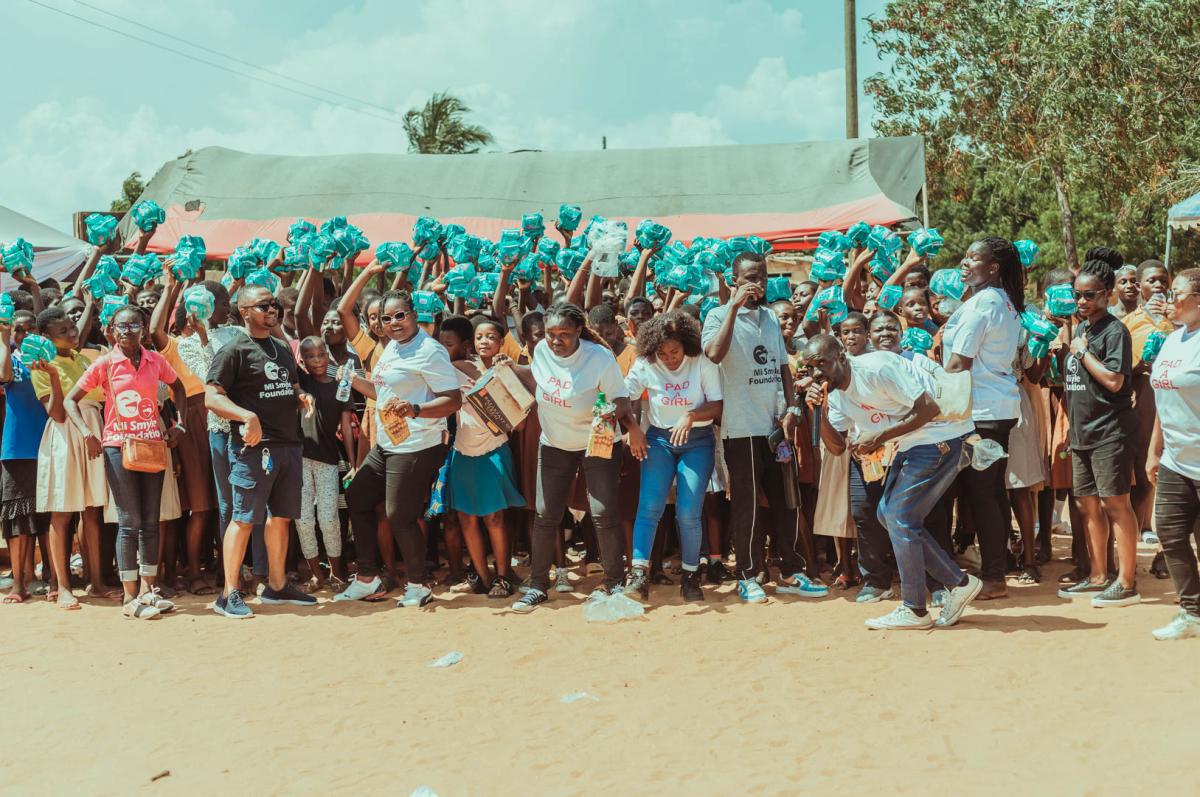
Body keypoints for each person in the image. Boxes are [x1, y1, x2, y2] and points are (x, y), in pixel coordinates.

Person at [804, 335, 981, 629]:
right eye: (810, 367)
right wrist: (818, 413)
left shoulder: (876, 368)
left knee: (899, 516)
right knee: (888, 515)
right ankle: (958, 583)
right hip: (911, 444)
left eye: (822, 363)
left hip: (941, 438)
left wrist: (879, 436)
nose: (816, 373)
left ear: (842, 357)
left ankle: (915, 609)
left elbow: (929, 408)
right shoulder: (834, 394)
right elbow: (836, 448)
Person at [702, 252, 826, 603]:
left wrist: (792, 408)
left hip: (776, 428)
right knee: (748, 506)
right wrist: (733, 306)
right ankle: (747, 574)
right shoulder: (716, 315)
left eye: (762, 277)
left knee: (787, 501)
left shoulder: (771, 316)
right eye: (750, 278)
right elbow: (714, 353)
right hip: (741, 428)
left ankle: (790, 572)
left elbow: (783, 367)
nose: (757, 284)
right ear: (734, 280)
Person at [506, 302, 645, 613]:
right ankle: (538, 584)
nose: (556, 340)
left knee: (603, 513)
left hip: (597, 442)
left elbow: (622, 400)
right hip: (555, 443)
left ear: (579, 331)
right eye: (551, 333)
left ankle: (613, 581)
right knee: (545, 514)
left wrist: (615, 417)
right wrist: (511, 368)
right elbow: (539, 379)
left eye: (564, 334)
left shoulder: (599, 357)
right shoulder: (542, 350)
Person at [335, 289, 461, 608]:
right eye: (386, 318)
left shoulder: (430, 351)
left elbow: (453, 400)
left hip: (418, 444)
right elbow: (382, 392)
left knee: (399, 515)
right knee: (357, 496)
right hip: (389, 443)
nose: (393, 323)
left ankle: (419, 584)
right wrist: (352, 380)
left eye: (400, 315)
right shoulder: (392, 347)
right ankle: (368, 577)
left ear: (414, 315)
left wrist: (416, 409)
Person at [66, 306, 188, 619]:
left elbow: (179, 387)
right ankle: (130, 596)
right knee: (129, 520)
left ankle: (149, 590)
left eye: (134, 325)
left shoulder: (155, 360)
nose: (127, 331)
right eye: (121, 325)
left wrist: (181, 425)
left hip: (152, 445)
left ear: (144, 329)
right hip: (117, 447)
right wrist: (87, 433)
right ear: (111, 329)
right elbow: (70, 400)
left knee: (151, 521)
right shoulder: (105, 363)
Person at [204, 285, 318, 618]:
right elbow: (212, 397)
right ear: (244, 312)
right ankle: (228, 594)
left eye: (274, 305)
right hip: (254, 449)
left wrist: (301, 397)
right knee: (242, 519)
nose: (272, 310)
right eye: (264, 305)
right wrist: (246, 416)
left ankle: (277, 586)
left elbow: (291, 385)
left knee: (281, 517)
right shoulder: (233, 351)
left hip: (288, 445)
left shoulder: (281, 348)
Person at [941, 237, 1023, 600]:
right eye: (965, 255)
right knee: (991, 494)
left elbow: (959, 363)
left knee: (983, 496)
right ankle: (996, 570)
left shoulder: (984, 304)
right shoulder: (1001, 300)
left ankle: (993, 577)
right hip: (994, 410)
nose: (964, 262)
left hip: (980, 414)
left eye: (973, 258)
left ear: (993, 268)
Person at [622, 310, 722, 602]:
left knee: (688, 512)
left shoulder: (701, 361)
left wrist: (691, 416)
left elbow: (717, 405)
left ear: (686, 345)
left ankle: (691, 577)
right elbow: (621, 398)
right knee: (649, 506)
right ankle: (638, 576)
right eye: (662, 353)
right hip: (659, 440)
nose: (669, 358)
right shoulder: (646, 363)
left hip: (697, 441)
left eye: (674, 351)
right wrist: (633, 429)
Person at [1057, 260, 1141, 607]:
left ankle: (1127, 582)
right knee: (1086, 504)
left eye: (1089, 295)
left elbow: (1114, 380)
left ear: (1107, 295)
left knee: (1115, 504)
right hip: (1082, 433)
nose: (1081, 301)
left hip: (1110, 431)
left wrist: (1082, 353)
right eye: (1077, 295)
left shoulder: (1113, 332)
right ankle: (1097, 576)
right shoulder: (1082, 330)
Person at [32, 306, 110, 609]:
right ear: (47, 337)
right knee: (62, 513)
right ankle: (63, 587)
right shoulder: (41, 366)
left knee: (92, 511)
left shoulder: (83, 359)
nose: (72, 333)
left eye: (72, 327)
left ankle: (96, 582)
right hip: (65, 436)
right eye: (62, 331)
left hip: (93, 430)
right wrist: (53, 376)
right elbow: (57, 413)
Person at [446, 315, 526, 598]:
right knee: (466, 519)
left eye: (491, 337)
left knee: (495, 518)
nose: (484, 341)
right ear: (471, 342)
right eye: (479, 337)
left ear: (501, 342)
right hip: (462, 451)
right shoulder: (457, 369)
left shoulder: (506, 371)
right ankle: (481, 577)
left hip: (494, 450)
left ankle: (502, 578)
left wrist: (499, 387)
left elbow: (520, 425)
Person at [1146, 267, 1200, 639]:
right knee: (1169, 531)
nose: (1169, 299)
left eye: (1176, 292)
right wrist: (1154, 450)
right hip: (1175, 460)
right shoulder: (1173, 339)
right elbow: (1162, 398)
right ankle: (1192, 613)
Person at [295, 336, 355, 591]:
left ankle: (337, 573)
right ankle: (316, 575)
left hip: (328, 461)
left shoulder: (340, 387)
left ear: (328, 356)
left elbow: (347, 428)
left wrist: (353, 463)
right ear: (303, 361)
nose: (317, 360)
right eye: (310, 356)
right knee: (303, 520)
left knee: (329, 519)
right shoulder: (301, 381)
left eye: (321, 354)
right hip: (299, 460)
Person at [0, 310, 50, 603]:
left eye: (31, 329)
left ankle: (53, 579)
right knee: (17, 517)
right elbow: (3, 376)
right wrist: (4, 337)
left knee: (47, 515)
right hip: (16, 447)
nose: (25, 334)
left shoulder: (49, 360)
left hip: (48, 444)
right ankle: (19, 584)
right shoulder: (10, 359)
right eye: (19, 329)